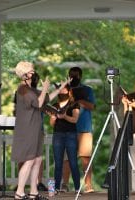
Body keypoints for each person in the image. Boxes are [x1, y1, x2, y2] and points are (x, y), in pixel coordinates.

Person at [11, 61, 69, 200]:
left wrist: (60, 87)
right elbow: (38, 103)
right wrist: (44, 89)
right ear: (24, 75)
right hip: (27, 129)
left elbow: (46, 98)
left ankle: (34, 192)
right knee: (30, 160)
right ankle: (19, 192)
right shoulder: (22, 89)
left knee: (37, 159)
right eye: (31, 71)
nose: (34, 73)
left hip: (35, 128)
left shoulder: (31, 89)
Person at [62, 66, 96, 193]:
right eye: (71, 75)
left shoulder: (87, 90)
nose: (73, 77)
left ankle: (88, 185)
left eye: (75, 75)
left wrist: (79, 100)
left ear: (80, 76)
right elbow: (60, 107)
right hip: (68, 128)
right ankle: (65, 184)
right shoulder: (65, 90)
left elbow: (92, 106)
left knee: (85, 158)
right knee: (67, 158)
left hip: (84, 128)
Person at [49, 85, 80, 194]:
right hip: (58, 134)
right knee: (58, 163)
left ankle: (77, 188)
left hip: (71, 134)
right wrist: (53, 118)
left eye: (64, 89)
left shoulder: (74, 104)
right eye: (60, 89)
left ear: (68, 91)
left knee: (73, 162)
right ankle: (55, 189)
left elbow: (75, 120)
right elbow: (52, 123)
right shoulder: (55, 105)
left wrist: (64, 116)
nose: (62, 91)